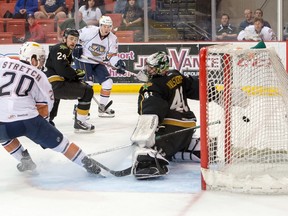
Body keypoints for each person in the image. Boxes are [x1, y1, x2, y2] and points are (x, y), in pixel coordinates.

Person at [0, 41, 101, 175]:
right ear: (32, 58)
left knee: (4, 137)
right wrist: (46, 125)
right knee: (63, 145)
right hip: (30, 120)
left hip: (3, 120)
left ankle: (25, 160)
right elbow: (45, 106)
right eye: (40, 59)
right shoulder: (40, 76)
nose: (42, 63)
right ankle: (88, 164)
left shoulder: (2, 63)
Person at [130, 51, 200, 179]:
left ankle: (148, 162)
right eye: (147, 66)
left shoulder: (151, 86)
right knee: (174, 145)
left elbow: (152, 110)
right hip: (189, 128)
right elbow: (196, 86)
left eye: (151, 68)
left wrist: (144, 137)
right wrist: (220, 94)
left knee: (142, 147)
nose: (148, 70)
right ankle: (192, 146)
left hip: (170, 132)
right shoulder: (176, 75)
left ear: (161, 68)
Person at [73, 16, 126, 118]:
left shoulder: (113, 39)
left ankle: (103, 107)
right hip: (83, 60)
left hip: (97, 62)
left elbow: (111, 56)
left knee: (108, 82)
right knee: (87, 85)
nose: (106, 29)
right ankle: (79, 109)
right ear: (100, 25)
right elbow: (74, 35)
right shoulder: (90, 31)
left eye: (109, 27)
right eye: (104, 26)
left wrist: (118, 63)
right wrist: (76, 46)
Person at [45, 28, 95, 132]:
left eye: (75, 39)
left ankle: (47, 122)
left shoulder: (62, 50)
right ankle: (80, 122)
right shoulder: (62, 48)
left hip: (49, 85)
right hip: (55, 85)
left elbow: (61, 70)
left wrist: (74, 76)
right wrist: (76, 75)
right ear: (64, 39)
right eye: (71, 39)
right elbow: (62, 69)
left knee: (54, 100)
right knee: (87, 90)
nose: (73, 42)